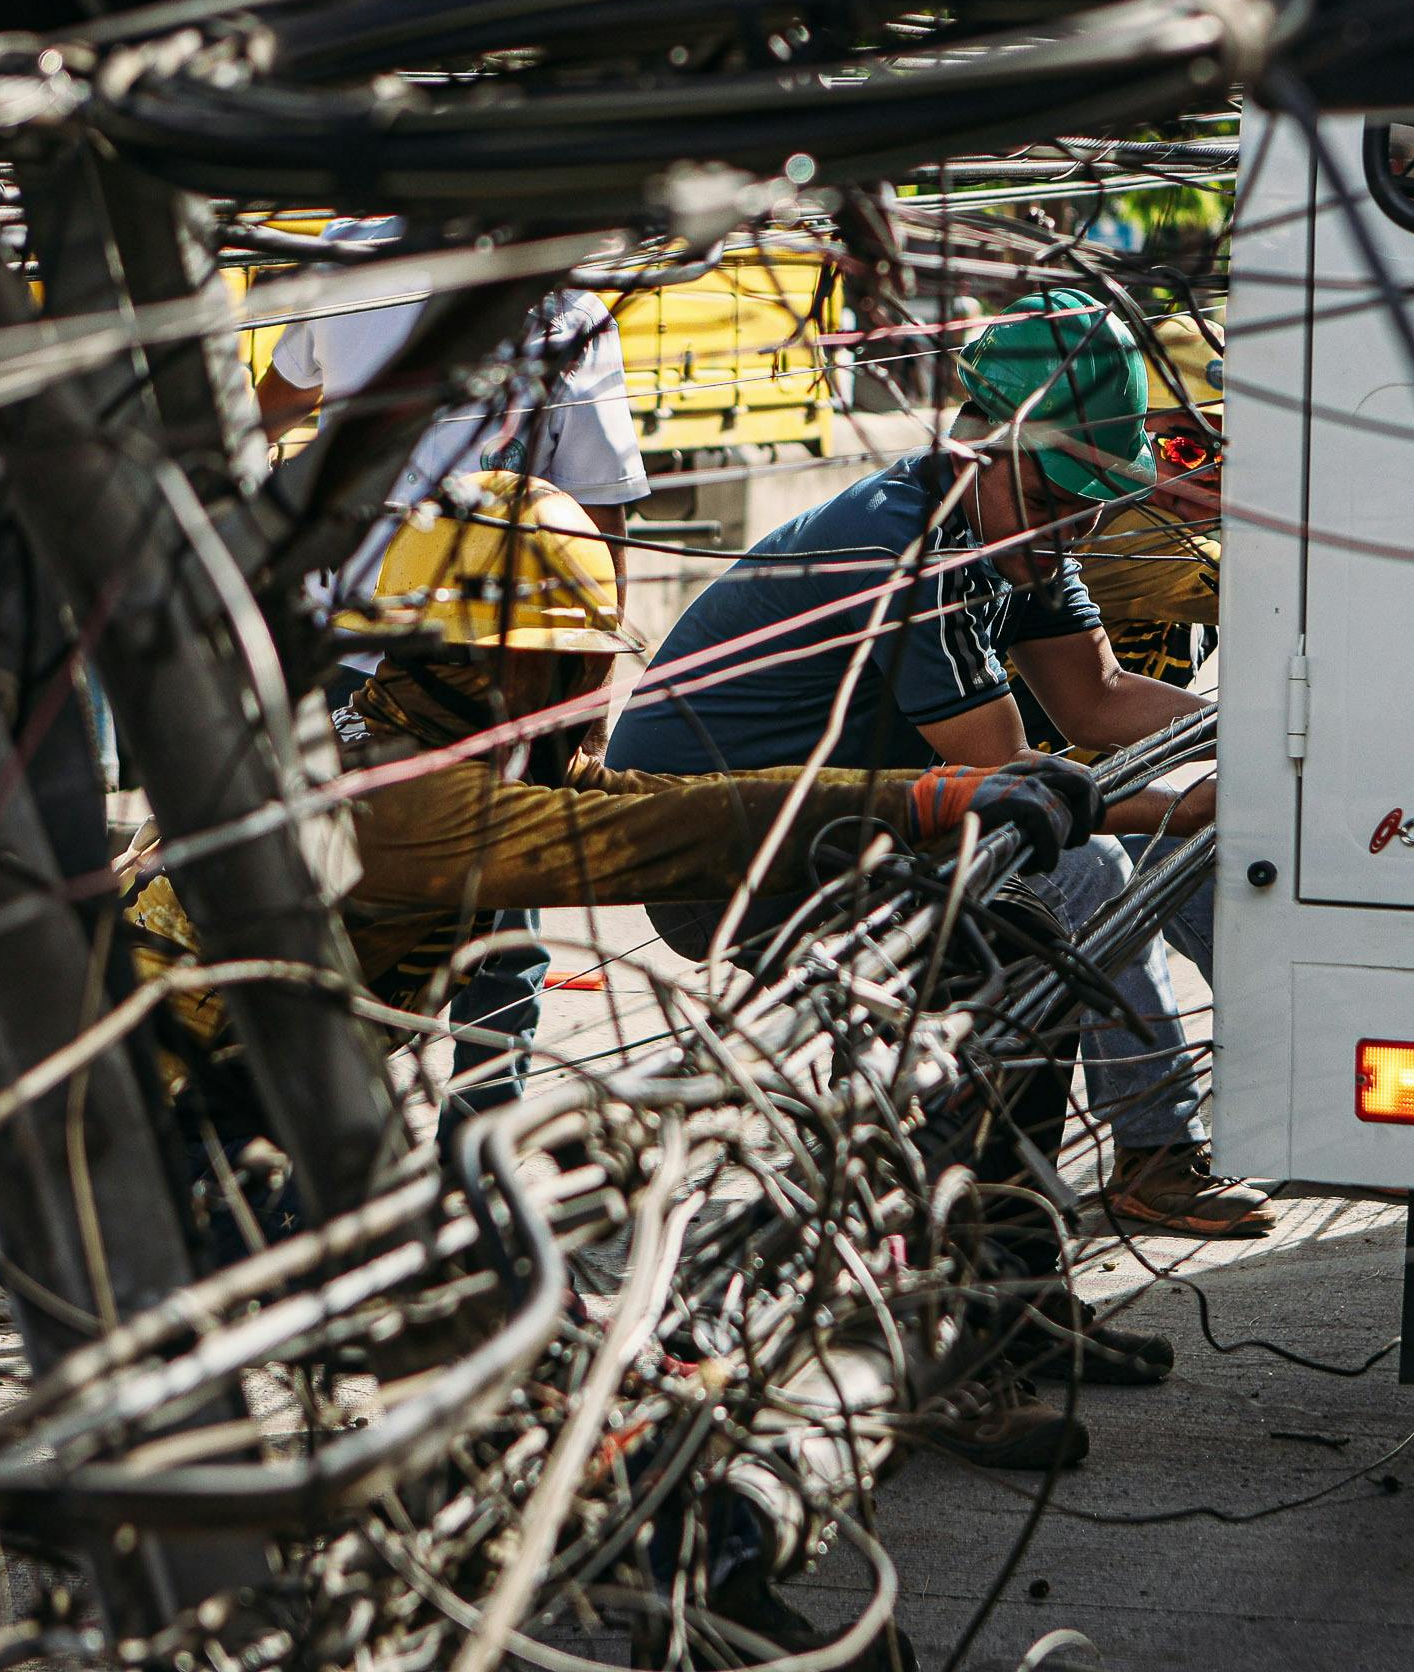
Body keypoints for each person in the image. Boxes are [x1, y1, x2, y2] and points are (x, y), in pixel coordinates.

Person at [126, 475, 1169, 1465]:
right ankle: (703, 1562)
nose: (590, 693)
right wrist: (930, 800)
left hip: (232, 1127)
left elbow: (643, 798)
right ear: (471, 662)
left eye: (589, 666)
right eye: (563, 666)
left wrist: (931, 791)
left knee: (557, 1327)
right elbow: (675, 827)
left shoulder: (413, 740)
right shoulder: (397, 800)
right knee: (580, 1364)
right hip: (160, 1166)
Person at [611, 287, 1269, 1239]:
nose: (1067, 538)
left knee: (1174, 844)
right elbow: (1010, 787)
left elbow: (1097, 697)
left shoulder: (1016, 533)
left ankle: (1299, 1077)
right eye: (1049, 504)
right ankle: (1154, 1155)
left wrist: (1264, 745)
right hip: (729, 858)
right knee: (1087, 867)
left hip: (863, 824)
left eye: (1088, 511)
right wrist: (1199, 800)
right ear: (976, 448)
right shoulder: (912, 549)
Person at [256, 217, 652, 1102]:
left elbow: (272, 403)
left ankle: (340, 1125)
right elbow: (602, 520)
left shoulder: (362, 257)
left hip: (390, 650)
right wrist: (590, 698)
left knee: (354, 893)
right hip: (462, 666)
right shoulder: (562, 309)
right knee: (489, 909)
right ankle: (459, 1143)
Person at [1007, 309, 1246, 1233]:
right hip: (1004, 802)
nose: (1215, 476)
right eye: (1186, 448)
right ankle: (1155, 1147)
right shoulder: (1112, 535)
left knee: (1225, 866)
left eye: (1234, 448)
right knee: (1107, 885)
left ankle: (1307, 1089)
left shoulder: (1190, 524)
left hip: (1091, 790)